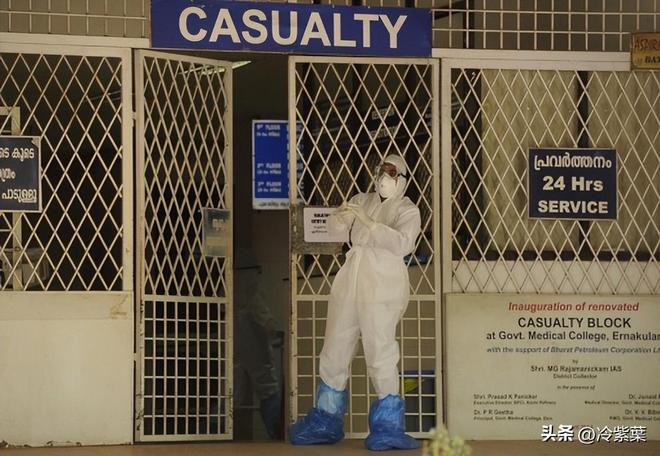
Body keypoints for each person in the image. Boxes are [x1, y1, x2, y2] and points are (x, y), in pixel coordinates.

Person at [289, 154, 421, 451]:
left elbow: (403, 243)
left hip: (383, 282)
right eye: (382, 171)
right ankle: (326, 418)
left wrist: (371, 225)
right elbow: (336, 230)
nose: (384, 177)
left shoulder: (407, 209)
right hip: (351, 277)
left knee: (380, 349)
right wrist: (339, 218)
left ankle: (388, 426)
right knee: (335, 345)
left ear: (403, 178)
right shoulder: (363, 199)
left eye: (392, 172)